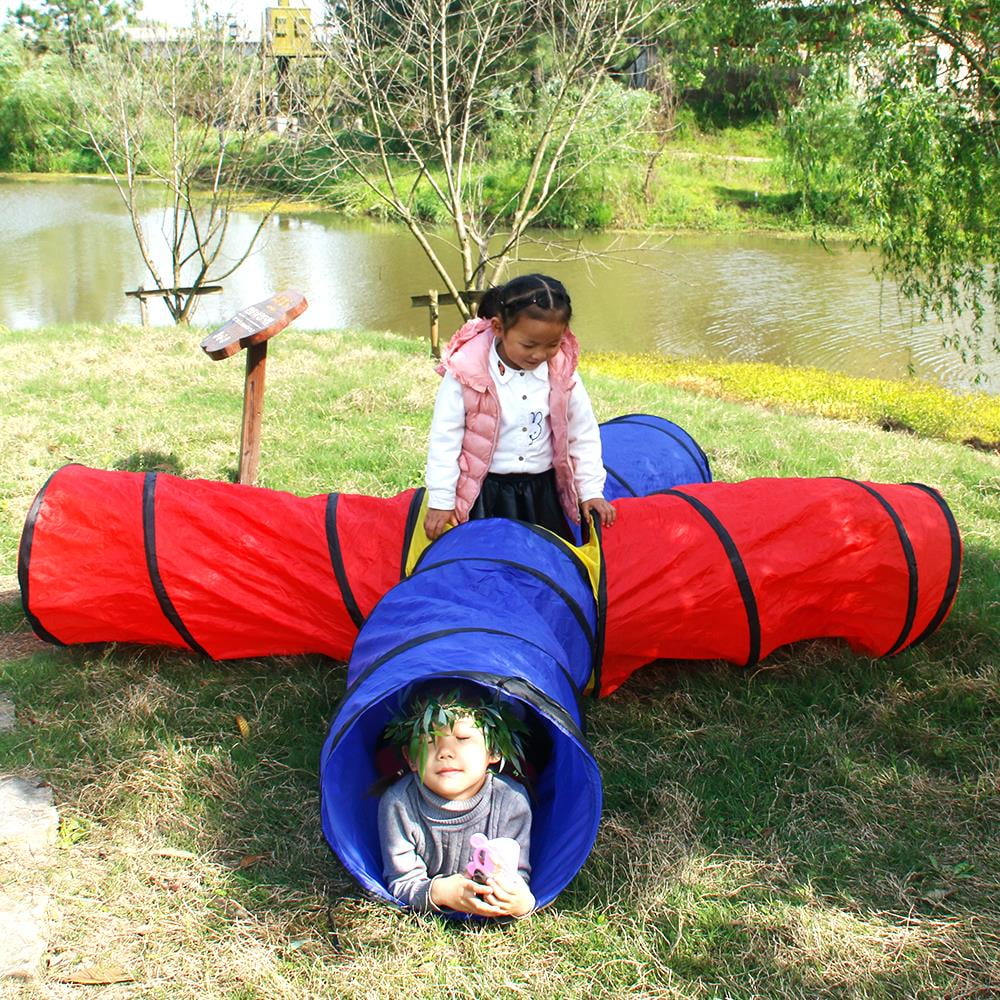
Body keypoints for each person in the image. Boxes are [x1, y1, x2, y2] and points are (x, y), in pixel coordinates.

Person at [424, 273, 617, 542]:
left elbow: (582, 434)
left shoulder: (563, 375)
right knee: (488, 561)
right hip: (485, 492)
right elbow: (445, 439)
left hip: (542, 493)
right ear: (499, 328)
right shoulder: (466, 372)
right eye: (528, 345)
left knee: (542, 560)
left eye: (552, 344)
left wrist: (591, 491)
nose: (539, 355)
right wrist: (442, 500)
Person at [377, 685, 536, 917]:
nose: (445, 752)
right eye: (430, 740)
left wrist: (520, 902)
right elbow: (401, 882)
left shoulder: (511, 802)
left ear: (493, 750)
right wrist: (440, 892)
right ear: (410, 757)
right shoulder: (398, 805)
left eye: (462, 738)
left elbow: (516, 877)